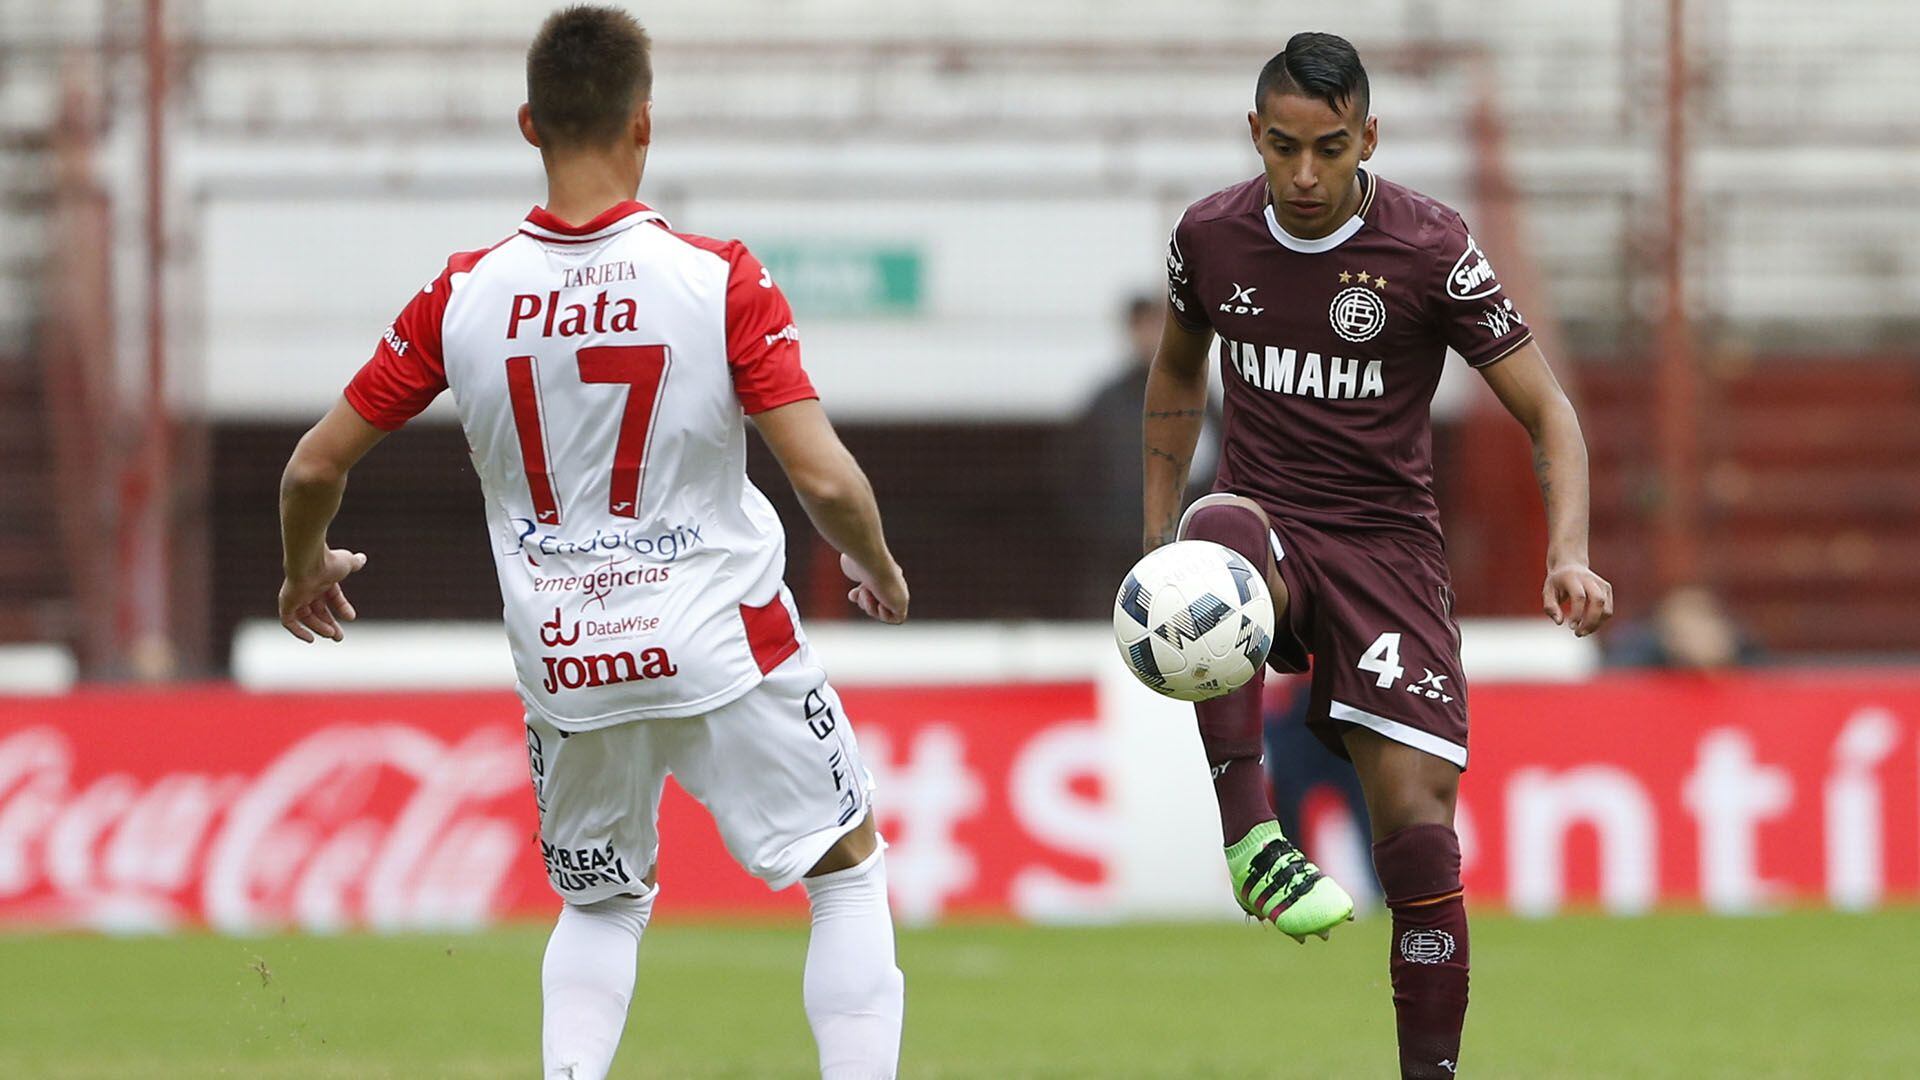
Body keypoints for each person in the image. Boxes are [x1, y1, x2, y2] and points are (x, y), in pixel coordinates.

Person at [273, 9, 907, 1079]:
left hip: (568, 658)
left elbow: (311, 469)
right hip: (723, 641)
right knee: (843, 873)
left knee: (603, 903)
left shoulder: (462, 294)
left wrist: (304, 569)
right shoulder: (718, 281)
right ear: (643, 123)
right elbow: (827, 478)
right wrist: (875, 565)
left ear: (530, 123)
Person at [1142, 33, 1613, 1078]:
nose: (1304, 175)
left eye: (1330, 147)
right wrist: (1153, 543)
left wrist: (1567, 552)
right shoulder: (1209, 236)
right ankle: (1251, 838)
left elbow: (1550, 413)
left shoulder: (1429, 247)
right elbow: (1178, 373)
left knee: (1417, 837)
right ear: (1254, 134)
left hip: (1387, 551)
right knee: (1214, 536)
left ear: (1368, 138)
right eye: (1282, 147)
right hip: (1265, 518)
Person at [1060, 293, 1218, 612]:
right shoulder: (1106, 403)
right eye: (1147, 325)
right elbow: (1071, 476)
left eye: (1162, 325)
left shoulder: (1204, 400)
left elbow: (1220, 469)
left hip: (1185, 565)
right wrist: (1104, 532)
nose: (1155, 335)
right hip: (1114, 565)